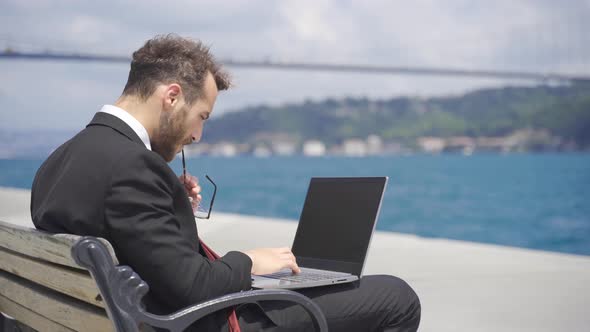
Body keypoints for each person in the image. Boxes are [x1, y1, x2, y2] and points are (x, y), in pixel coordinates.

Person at [30, 34, 420, 331]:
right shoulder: (133, 168)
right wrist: (250, 261)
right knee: (397, 296)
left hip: (128, 315)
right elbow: (191, 288)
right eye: (201, 116)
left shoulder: (62, 159)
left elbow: (132, 234)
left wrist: (172, 203)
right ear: (172, 97)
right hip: (193, 322)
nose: (197, 135)